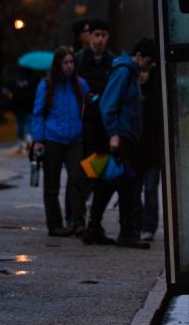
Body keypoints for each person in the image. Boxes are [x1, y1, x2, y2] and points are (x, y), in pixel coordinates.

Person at [82, 48, 148, 248]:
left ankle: (95, 229)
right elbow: (108, 105)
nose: (149, 66)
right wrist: (114, 134)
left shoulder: (126, 70)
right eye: (148, 60)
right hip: (119, 138)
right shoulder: (124, 71)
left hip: (119, 136)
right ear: (140, 55)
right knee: (124, 184)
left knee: (109, 183)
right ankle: (124, 232)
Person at [30, 47, 89, 236]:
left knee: (77, 180)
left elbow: (88, 112)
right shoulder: (46, 85)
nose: (69, 66)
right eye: (65, 63)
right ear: (58, 64)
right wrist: (38, 140)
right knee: (52, 184)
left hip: (75, 139)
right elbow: (38, 113)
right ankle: (54, 224)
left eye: (72, 62)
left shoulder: (80, 84)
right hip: (53, 138)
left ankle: (78, 222)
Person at [129, 38, 162, 242]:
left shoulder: (156, 90)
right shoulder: (132, 87)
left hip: (151, 150)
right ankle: (139, 223)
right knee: (135, 191)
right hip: (136, 148)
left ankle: (148, 226)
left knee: (150, 190)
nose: (143, 75)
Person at [75, 18, 114, 94]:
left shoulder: (113, 61)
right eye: (97, 35)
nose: (100, 39)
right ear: (90, 35)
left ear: (108, 36)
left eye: (103, 35)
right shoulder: (78, 58)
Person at [3, 68, 36, 153]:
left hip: (18, 106)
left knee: (20, 124)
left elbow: (5, 90)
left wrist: (11, 97)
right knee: (28, 123)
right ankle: (28, 138)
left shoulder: (14, 80)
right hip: (27, 106)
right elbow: (34, 91)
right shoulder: (31, 80)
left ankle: (21, 141)